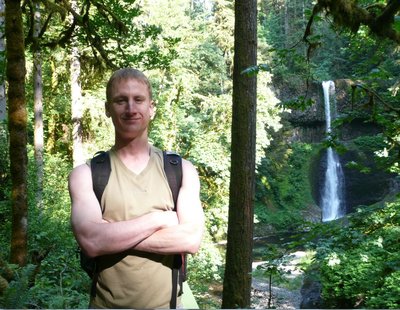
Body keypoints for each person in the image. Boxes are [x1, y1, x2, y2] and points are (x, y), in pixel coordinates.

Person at [69, 68, 204, 308]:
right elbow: (91, 242)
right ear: (107, 109)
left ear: (151, 108)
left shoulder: (181, 171)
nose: (130, 109)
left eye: (138, 100)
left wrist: (110, 235)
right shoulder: (87, 175)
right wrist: (159, 219)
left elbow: (191, 239)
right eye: (121, 100)